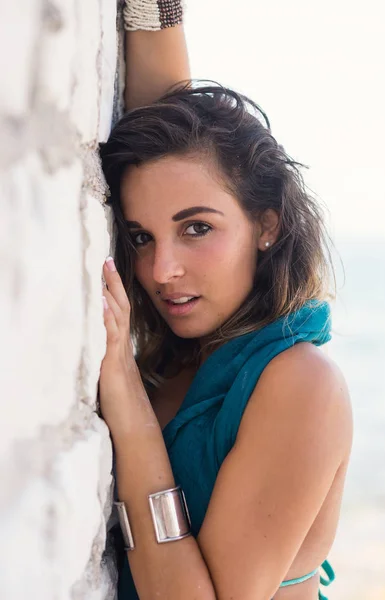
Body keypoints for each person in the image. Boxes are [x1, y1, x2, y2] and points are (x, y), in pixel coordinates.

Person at [98, 1, 353, 599]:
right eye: (142, 237)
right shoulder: (178, 353)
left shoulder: (300, 383)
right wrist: (155, 12)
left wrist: (127, 400)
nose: (162, 270)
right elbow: (170, 150)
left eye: (197, 229)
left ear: (267, 226)